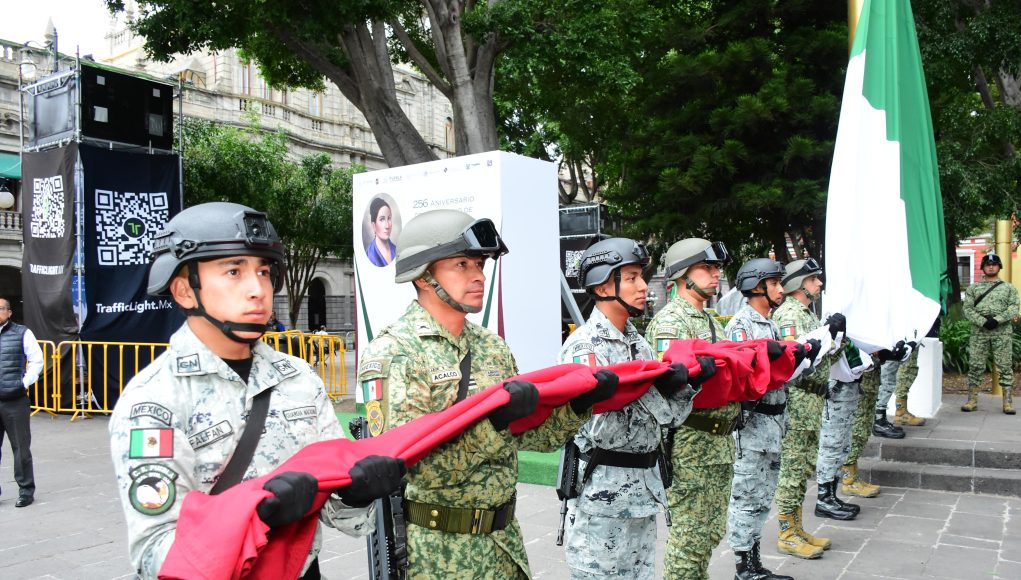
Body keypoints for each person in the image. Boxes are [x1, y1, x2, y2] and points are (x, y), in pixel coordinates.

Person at [110, 202, 405, 580]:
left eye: (264, 272)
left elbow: (340, 515)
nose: (257, 289)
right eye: (234, 271)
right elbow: (155, 553)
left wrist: (358, 494)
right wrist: (252, 517)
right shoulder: (154, 401)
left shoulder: (299, 378)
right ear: (185, 290)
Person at [358, 209, 608, 578]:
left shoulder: (492, 347)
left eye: (479, 264)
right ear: (424, 275)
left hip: (505, 545)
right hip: (440, 553)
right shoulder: (395, 352)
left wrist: (578, 407)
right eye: (462, 264)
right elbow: (409, 465)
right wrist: (494, 425)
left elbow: (530, 436)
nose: (479, 275)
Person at [559, 238, 699, 579]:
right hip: (603, 501)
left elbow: (671, 421)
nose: (643, 287)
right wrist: (654, 390)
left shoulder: (639, 343)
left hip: (644, 491)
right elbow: (600, 429)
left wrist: (685, 388)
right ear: (605, 284)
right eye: (633, 277)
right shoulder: (584, 348)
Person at [644, 237, 735, 580]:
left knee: (710, 533)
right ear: (682, 274)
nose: (715, 275)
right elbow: (666, 386)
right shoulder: (670, 323)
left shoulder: (711, 320)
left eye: (716, 268)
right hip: (690, 447)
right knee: (689, 539)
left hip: (719, 443)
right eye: (706, 268)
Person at [724, 258, 795, 580]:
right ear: (757, 286)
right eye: (776, 283)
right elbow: (742, 379)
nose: (781, 289)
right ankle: (743, 566)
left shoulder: (771, 323)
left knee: (763, 497)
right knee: (745, 497)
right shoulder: (741, 325)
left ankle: (754, 562)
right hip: (752, 429)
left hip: (774, 426)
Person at [773, 258, 845, 559]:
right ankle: (787, 532)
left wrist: (835, 335)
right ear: (799, 284)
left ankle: (798, 527)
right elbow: (793, 359)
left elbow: (824, 356)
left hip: (812, 401)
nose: (819, 284)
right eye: (814, 279)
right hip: (799, 399)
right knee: (792, 467)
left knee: (803, 467)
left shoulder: (806, 314)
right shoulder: (789, 314)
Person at [0, 297, 44, 508]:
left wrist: (23, 383)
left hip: (14, 400)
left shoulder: (22, 333)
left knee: (21, 449)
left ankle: (26, 490)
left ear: (9, 312)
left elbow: (37, 360)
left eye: (0, 309)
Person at [962, 253, 1019, 413]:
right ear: (983, 267)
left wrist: (997, 320)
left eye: (994, 264)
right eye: (988, 264)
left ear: (999, 266)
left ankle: (1007, 402)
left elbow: (1014, 307)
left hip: (1002, 333)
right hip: (979, 332)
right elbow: (967, 309)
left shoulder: (1008, 288)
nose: (991, 266)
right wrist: (983, 321)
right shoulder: (973, 288)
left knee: (1005, 366)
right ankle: (972, 400)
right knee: (975, 365)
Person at [366, 197, 397, 267]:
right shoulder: (370, 255)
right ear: (374, 225)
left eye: (389, 218)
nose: (387, 225)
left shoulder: (396, 250)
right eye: (382, 219)